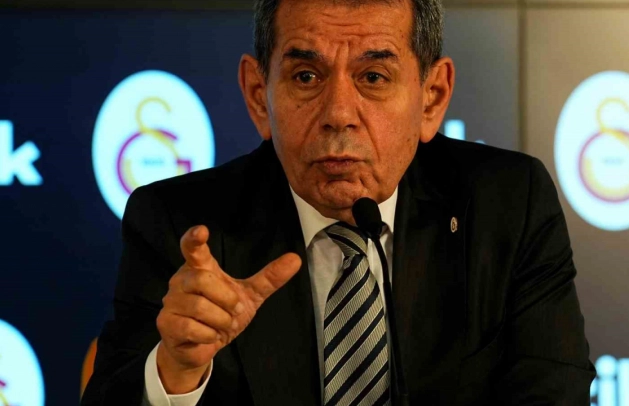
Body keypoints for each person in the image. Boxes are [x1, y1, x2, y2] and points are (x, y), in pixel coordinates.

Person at [81, 0, 596, 404]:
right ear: (259, 95)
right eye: (307, 76)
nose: (339, 114)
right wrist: (176, 372)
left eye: (373, 78)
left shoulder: (507, 204)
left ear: (432, 98)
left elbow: (555, 391)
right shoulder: (182, 225)